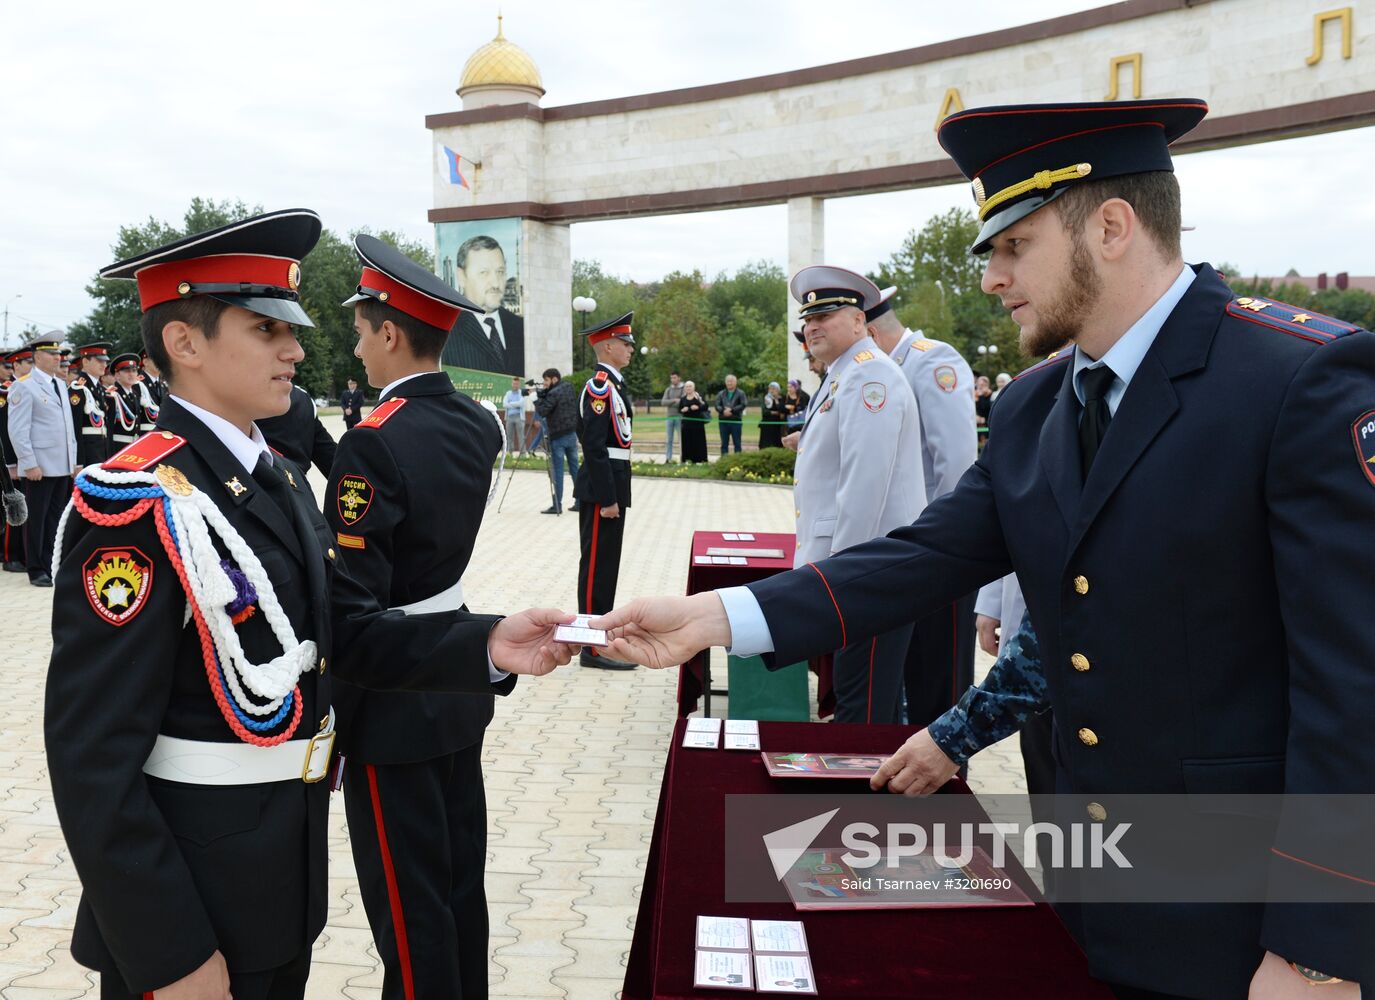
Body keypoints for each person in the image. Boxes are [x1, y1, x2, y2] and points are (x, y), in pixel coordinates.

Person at [595, 98, 1375, 997]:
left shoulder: (1296, 378)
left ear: (1111, 227)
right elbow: (922, 556)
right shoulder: (1035, 404)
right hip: (1093, 869)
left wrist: (1319, 949)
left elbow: (1352, 685)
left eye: (1014, 247)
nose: (991, 279)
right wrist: (711, 616)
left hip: (1246, 911)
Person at [46, 209, 574, 1000]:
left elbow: (344, 637)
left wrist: (488, 644)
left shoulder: (279, 475)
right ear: (185, 345)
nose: (297, 349)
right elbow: (91, 759)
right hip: (189, 902)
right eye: (266, 329)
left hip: (278, 887)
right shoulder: (140, 502)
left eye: (290, 328)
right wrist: (169, 954)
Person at [329, 234, 507, 1000]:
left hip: (394, 693)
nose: (358, 345)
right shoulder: (476, 423)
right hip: (456, 679)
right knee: (459, 888)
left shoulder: (372, 442)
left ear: (391, 332)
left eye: (362, 330)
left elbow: (354, 605)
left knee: (408, 914)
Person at [781, 265, 926, 724]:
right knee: (857, 699)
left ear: (860, 321)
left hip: (868, 572)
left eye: (826, 314)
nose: (812, 326)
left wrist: (842, 574)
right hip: (861, 572)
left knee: (861, 710)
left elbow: (865, 486)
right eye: (808, 319)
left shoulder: (868, 378)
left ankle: (861, 796)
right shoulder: (844, 374)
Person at [865, 287, 979, 729]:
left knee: (939, 687)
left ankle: (944, 797)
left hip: (940, 551)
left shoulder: (932, 362)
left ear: (870, 330)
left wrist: (945, 547)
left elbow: (956, 466)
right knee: (902, 681)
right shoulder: (886, 368)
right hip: (905, 550)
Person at [574, 313, 638, 671]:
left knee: (607, 567)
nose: (630, 349)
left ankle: (599, 637)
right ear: (608, 346)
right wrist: (608, 498)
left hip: (613, 484)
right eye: (625, 344)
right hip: (604, 491)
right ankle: (591, 646)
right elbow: (595, 447)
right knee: (597, 568)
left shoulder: (613, 384)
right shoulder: (599, 386)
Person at [7, 334, 78, 586]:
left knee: (55, 519)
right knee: (36, 520)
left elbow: (68, 427)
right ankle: (35, 568)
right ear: (37, 357)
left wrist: (72, 462)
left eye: (59, 354)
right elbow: (17, 430)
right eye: (51, 354)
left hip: (61, 465)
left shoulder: (60, 384)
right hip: (39, 466)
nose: (57, 358)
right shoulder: (24, 386)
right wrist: (29, 463)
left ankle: (51, 564)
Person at [439, 235, 525, 375]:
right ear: (461, 276)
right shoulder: (446, 332)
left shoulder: (519, 326)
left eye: (500, 272)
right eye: (484, 273)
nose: (496, 283)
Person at [257, 381, 337, 478]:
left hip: (255, 486)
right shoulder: (302, 397)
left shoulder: (244, 395)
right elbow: (330, 460)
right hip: (299, 487)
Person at [0, 348, 31, 571]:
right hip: (9, 459)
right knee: (10, 502)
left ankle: (20, 554)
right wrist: (10, 462)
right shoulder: (5, 393)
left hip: (27, 457)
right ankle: (10, 555)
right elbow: (4, 432)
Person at [535, 366, 580, 515]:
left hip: (558, 437)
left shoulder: (553, 393)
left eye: (546, 380)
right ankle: (580, 502)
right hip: (572, 435)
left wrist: (536, 398)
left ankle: (557, 505)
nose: (545, 383)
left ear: (554, 379)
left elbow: (542, 411)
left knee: (558, 472)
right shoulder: (568, 387)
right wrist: (544, 394)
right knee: (575, 470)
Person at [68, 342, 113, 468]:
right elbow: (75, 428)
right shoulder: (78, 388)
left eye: (105, 361)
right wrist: (77, 462)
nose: (104, 365)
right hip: (87, 455)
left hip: (102, 452)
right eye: (99, 361)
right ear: (86, 362)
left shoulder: (99, 388)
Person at [107, 353, 144, 450]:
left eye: (134, 370)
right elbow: (109, 430)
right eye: (127, 371)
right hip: (118, 448)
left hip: (134, 447)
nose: (131, 374)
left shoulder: (135, 395)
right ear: (117, 375)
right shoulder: (112, 396)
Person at [677, 380, 709, 463]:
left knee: (698, 442)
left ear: (694, 387)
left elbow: (705, 406)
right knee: (687, 442)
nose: (688, 388)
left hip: (697, 424)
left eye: (690, 386)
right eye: (687, 386)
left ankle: (700, 460)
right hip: (686, 424)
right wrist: (683, 410)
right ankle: (687, 460)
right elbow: (679, 409)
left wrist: (698, 407)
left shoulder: (698, 397)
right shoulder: (683, 399)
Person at [714, 374, 747, 454]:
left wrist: (732, 411)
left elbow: (743, 404)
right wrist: (723, 411)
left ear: (735, 382)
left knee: (737, 443)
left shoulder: (741, 393)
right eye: (728, 381)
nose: (729, 383)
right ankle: (724, 461)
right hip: (723, 421)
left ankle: (738, 461)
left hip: (735, 421)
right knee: (724, 444)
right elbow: (717, 405)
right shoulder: (721, 393)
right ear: (725, 382)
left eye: (731, 381)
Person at [661, 371, 684, 461]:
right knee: (669, 440)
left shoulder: (683, 388)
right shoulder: (668, 389)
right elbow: (663, 402)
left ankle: (682, 458)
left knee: (681, 439)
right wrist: (674, 400)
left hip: (680, 417)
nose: (672, 380)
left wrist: (670, 402)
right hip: (669, 417)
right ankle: (668, 458)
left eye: (674, 377)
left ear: (679, 378)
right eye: (671, 378)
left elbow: (682, 402)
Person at [503, 375, 526, 458]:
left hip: (519, 417)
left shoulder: (521, 393)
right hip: (509, 417)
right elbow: (505, 404)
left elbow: (521, 403)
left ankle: (523, 454)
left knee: (521, 436)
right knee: (509, 436)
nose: (515, 385)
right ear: (512, 384)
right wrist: (515, 404)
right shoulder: (508, 393)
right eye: (514, 383)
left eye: (517, 384)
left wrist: (510, 403)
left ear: (519, 384)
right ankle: (510, 453)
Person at [758, 381, 785, 449]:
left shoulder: (781, 399)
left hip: (777, 425)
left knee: (776, 444)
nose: (772, 391)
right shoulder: (766, 399)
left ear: (778, 390)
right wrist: (774, 413)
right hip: (766, 425)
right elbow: (764, 412)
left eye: (774, 389)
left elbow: (781, 410)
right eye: (770, 389)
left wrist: (776, 399)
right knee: (765, 444)